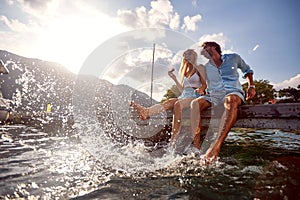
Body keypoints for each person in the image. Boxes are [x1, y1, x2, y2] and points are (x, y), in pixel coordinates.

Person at [190, 41, 256, 159]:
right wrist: (201, 89)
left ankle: (215, 146)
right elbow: (203, 84)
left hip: (232, 92)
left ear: (214, 47)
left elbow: (247, 71)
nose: (203, 51)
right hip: (214, 95)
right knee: (195, 104)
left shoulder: (234, 58)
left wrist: (251, 86)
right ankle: (196, 146)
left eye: (205, 48)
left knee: (230, 100)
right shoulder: (206, 67)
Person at [130, 49, 207, 144]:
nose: (186, 56)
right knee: (170, 102)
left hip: (195, 95)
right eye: (185, 55)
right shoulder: (185, 71)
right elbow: (183, 90)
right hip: (184, 95)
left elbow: (204, 84)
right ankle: (146, 112)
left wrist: (201, 89)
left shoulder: (200, 67)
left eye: (189, 54)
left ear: (194, 55)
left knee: (178, 104)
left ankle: (174, 138)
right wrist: (174, 78)